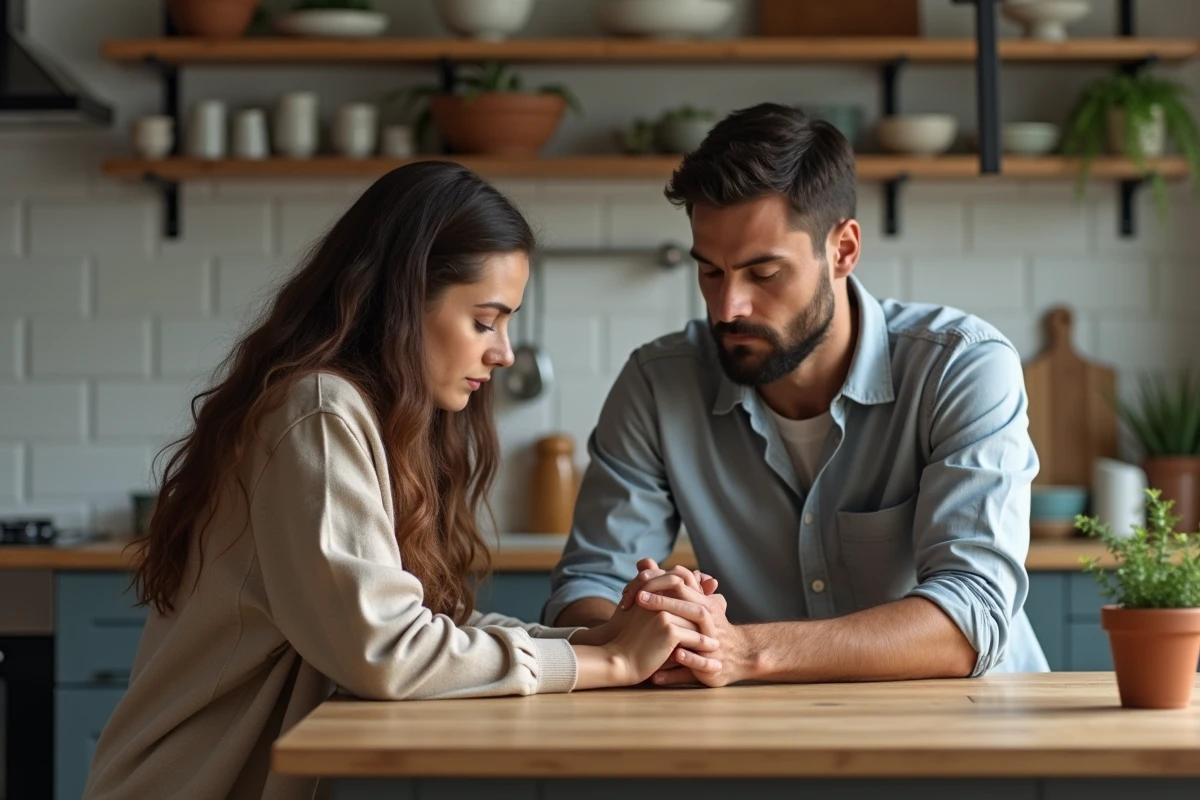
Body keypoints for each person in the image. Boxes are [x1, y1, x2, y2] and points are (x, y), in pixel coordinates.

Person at [83, 162, 724, 800]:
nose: (503, 351)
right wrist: (612, 661)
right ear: (402, 302)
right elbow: (388, 651)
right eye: (485, 320)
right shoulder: (319, 411)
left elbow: (428, 627)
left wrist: (605, 636)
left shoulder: (372, 418)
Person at [545, 103, 1050, 686]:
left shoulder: (961, 366)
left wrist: (743, 652)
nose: (728, 308)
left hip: (970, 720)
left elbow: (972, 616)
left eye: (763, 274)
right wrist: (642, 632)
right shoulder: (658, 384)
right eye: (710, 272)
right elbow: (586, 587)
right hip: (762, 722)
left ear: (843, 250)